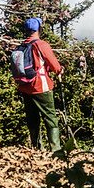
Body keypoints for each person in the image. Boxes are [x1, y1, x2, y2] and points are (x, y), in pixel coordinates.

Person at [16, 17, 63, 152]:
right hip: (41, 86)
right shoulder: (41, 45)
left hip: (25, 87)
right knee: (51, 119)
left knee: (32, 119)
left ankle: (36, 148)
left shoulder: (21, 47)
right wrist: (59, 71)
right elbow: (55, 65)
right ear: (39, 29)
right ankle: (56, 150)